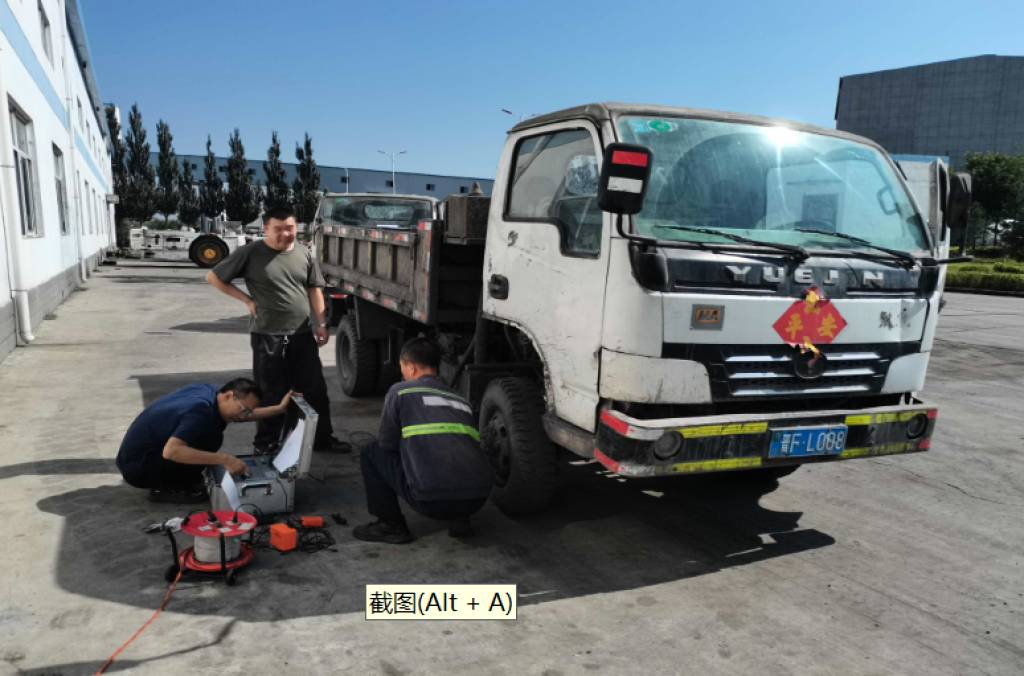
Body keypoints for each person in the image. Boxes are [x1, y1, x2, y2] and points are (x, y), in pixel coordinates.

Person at [206, 206, 349, 454]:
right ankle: (266, 444)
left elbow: (314, 289)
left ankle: (321, 439)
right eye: (278, 229)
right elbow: (214, 277)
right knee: (271, 392)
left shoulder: (304, 253)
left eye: (290, 228)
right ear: (266, 229)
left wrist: (321, 323)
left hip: (302, 334)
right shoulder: (251, 252)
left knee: (315, 390)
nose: (285, 234)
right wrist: (247, 300)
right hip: (267, 335)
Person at [353, 337, 493, 544]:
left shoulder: (400, 391)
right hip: (477, 499)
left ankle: (390, 525)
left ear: (411, 368)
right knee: (455, 445)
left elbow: (387, 444)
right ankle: (460, 520)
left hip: (431, 501)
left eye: (402, 367)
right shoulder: (461, 400)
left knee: (371, 452)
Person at [116, 378, 291, 503]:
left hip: (135, 457)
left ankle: (176, 477)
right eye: (244, 409)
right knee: (210, 437)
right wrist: (225, 459)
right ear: (229, 396)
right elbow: (172, 451)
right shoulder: (201, 413)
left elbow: (240, 415)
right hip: (140, 468)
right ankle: (166, 487)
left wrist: (278, 409)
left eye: (248, 411)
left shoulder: (211, 393)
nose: (245, 416)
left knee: (211, 432)